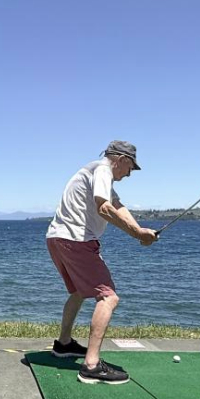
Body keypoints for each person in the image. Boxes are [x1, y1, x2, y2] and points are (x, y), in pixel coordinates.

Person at [46, 140, 157, 384]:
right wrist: (137, 235)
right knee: (108, 297)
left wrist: (140, 230)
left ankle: (64, 344)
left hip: (56, 238)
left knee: (78, 291)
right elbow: (104, 207)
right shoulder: (104, 170)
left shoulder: (95, 171)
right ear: (121, 159)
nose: (129, 174)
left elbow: (117, 205)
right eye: (130, 168)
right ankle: (91, 365)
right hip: (76, 240)